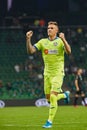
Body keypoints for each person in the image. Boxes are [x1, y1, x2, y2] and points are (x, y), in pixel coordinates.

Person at [26, 21, 71, 128]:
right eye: (48, 28)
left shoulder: (60, 41)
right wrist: (28, 39)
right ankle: (65, 95)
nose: (49, 29)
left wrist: (64, 39)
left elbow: (69, 52)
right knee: (49, 99)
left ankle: (49, 122)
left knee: (53, 97)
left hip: (58, 73)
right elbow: (31, 51)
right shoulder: (43, 42)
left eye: (51, 28)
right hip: (47, 74)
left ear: (56, 30)